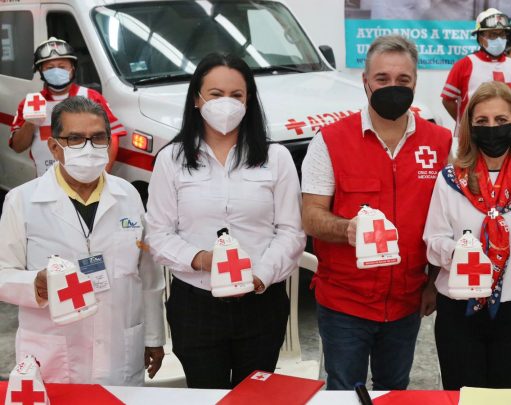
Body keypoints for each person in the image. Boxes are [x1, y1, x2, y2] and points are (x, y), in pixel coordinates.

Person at [145, 52, 305, 389]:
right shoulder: (171, 160)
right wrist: (201, 260)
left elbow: (291, 232)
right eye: (216, 95)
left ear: (249, 101)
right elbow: (158, 235)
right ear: (196, 100)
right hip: (197, 306)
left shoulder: (275, 158)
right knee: (206, 394)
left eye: (236, 95)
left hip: (262, 304)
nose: (226, 104)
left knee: (255, 396)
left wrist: (259, 277)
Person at [302, 35, 452, 390]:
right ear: (366, 81)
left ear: (415, 82)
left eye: (403, 80)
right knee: (344, 391)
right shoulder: (329, 141)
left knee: (393, 390)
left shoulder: (441, 143)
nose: (393, 87)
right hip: (344, 301)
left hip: (406, 302)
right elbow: (311, 215)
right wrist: (347, 229)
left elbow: (448, 220)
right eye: (383, 79)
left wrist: (433, 283)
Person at [0, 96, 165, 385]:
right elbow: (2, 273)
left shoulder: (127, 195)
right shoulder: (22, 201)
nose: (88, 148)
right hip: (55, 352)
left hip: (119, 347)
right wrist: (34, 284)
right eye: (75, 139)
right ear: (54, 146)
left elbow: (148, 275)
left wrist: (153, 336)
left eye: (97, 138)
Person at [424, 81, 511, 390]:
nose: (492, 128)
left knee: (504, 399)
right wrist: (458, 252)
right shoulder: (449, 180)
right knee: (463, 397)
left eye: (501, 121)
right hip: (458, 311)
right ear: (470, 127)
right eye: (481, 121)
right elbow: (433, 243)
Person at [9, 37, 126, 177]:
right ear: (41, 71)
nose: (56, 71)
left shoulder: (91, 97)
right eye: (50, 68)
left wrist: (103, 174)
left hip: (86, 179)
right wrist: (30, 123)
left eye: (62, 66)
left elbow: (112, 136)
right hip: (46, 182)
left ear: (73, 69)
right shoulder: (31, 102)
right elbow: (17, 147)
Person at [441, 8, 511, 128]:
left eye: (502, 34)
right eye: (492, 35)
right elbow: (447, 100)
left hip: (510, 136)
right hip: (475, 137)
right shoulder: (464, 64)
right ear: (480, 37)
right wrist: (465, 125)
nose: (498, 39)